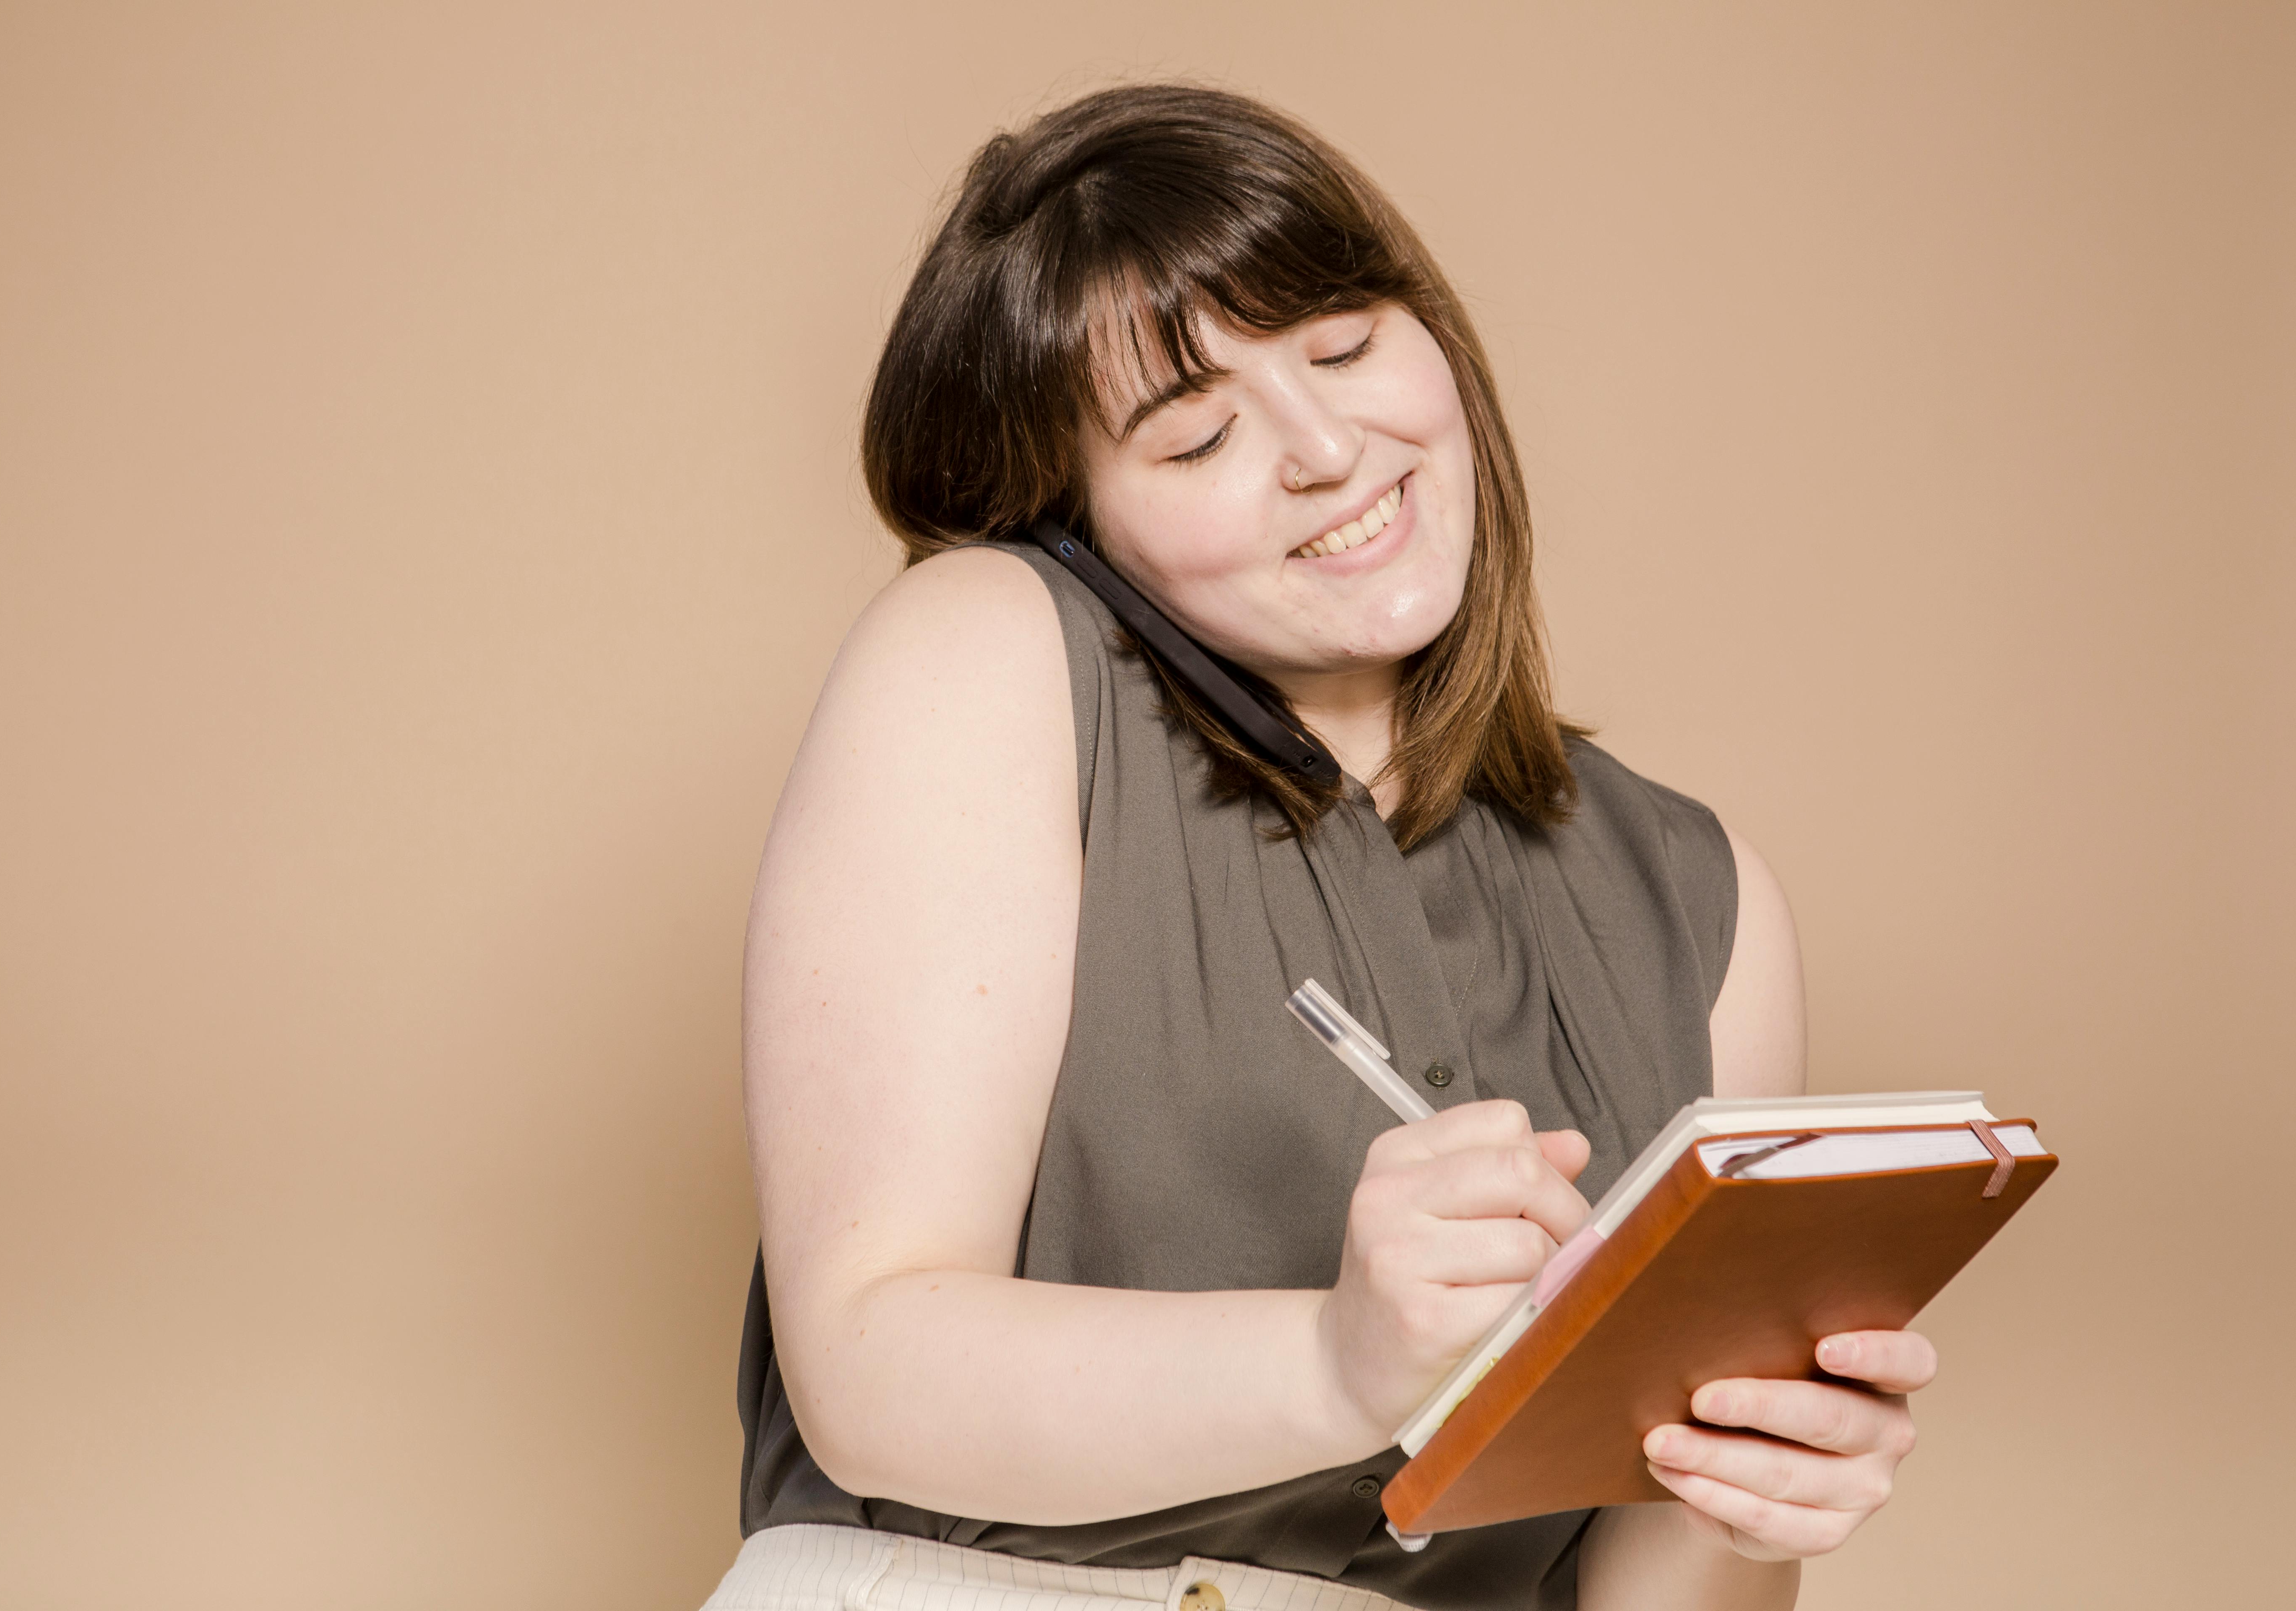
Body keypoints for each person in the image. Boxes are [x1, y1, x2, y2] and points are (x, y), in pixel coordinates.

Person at [718, 84, 1932, 1611]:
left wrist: (1755, 1507)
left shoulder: (1706, 903)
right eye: (1198, 434)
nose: (1327, 447)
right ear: (1073, 522)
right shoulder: (982, 650)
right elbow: (870, 1367)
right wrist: (1333, 1360)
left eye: (1346, 345)